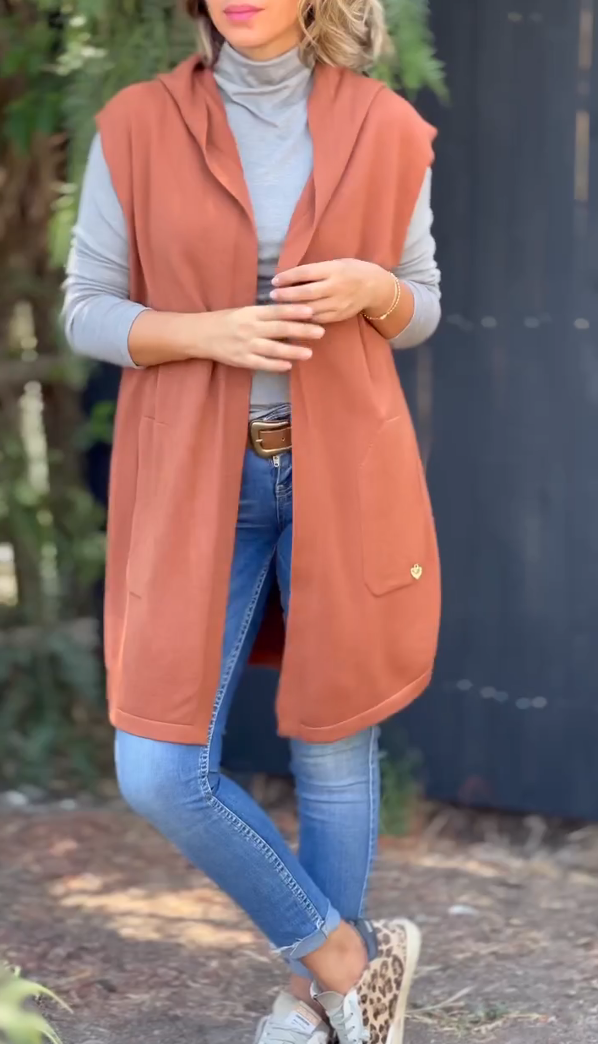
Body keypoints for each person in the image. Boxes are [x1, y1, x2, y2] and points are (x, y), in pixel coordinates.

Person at [63, 0, 442, 1039]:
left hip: (344, 470)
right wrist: (207, 333)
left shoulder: (385, 126)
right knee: (158, 770)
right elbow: (86, 306)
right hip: (196, 478)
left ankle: (321, 1009)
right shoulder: (136, 124)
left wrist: (372, 287)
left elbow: (421, 303)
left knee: (333, 737)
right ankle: (345, 959)